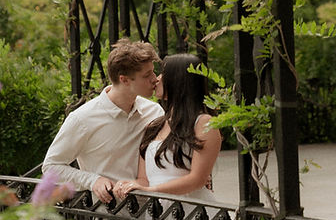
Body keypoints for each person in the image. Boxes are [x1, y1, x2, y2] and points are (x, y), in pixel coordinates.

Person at [41, 39, 165, 203]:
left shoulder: (154, 111)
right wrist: (92, 180)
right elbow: (51, 167)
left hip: (156, 213)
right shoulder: (82, 118)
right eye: (147, 75)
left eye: (153, 72)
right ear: (124, 80)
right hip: (107, 215)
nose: (155, 79)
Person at [113, 53, 222, 202]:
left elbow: (197, 179)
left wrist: (152, 191)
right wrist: (128, 184)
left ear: (179, 80)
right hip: (160, 211)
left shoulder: (204, 123)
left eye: (163, 73)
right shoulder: (154, 126)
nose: (157, 79)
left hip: (192, 211)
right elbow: (144, 180)